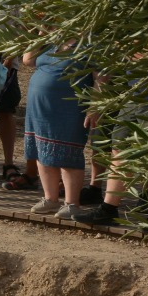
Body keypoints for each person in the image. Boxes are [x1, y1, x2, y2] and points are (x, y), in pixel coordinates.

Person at [23, 41, 94, 220]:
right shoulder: (50, 41)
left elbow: (101, 74)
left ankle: (71, 204)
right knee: (41, 149)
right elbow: (27, 60)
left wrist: (95, 105)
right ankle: (50, 198)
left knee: (68, 151)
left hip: (69, 105)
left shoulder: (90, 42)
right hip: (39, 106)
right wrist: (40, 34)